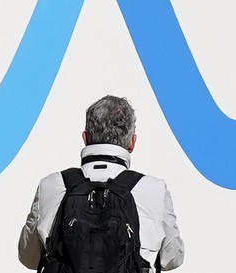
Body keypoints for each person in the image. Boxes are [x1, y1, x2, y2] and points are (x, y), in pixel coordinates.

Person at [18, 95, 184, 272]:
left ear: (86, 138)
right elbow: (173, 258)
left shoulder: (51, 185)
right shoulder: (154, 189)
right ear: (132, 142)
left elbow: (28, 257)